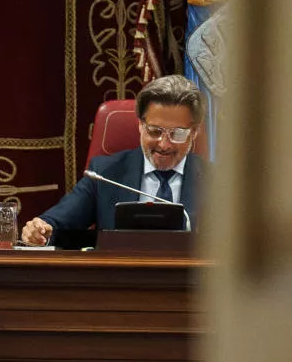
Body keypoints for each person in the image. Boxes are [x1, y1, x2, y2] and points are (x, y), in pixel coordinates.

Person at [22, 74, 208, 245]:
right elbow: (55, 224)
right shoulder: (105, 174)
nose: (164, 144)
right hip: (117, 278)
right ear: (140, 126)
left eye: (177, 134)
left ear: (195, 132)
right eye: (154, 131)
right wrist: (39, 230)